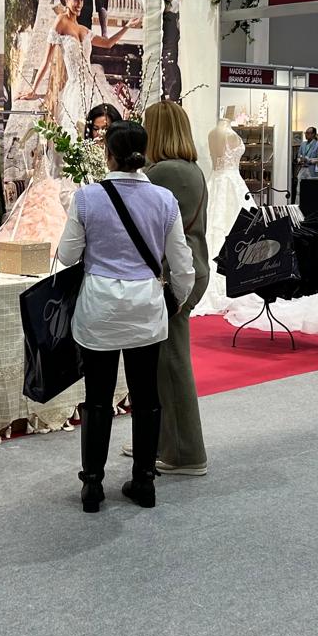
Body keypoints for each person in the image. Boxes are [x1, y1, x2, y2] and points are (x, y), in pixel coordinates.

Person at [56, 121, 195, 512]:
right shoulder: (164, 200)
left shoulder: (87, 197)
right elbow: (181, 263)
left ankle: (92, 485)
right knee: (147, 395)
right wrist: (178, 299)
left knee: (98, 398)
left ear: (108, 154)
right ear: (144, 153)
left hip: (99, 307)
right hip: (145, 307)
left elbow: (67, 256)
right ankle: (144, 481)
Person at [141, 101, 209, 475]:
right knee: (163, 363)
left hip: (173, 276)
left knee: (171, 364)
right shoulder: (189, 169)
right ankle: (164, 441)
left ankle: (184, 452)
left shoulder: (163, 172)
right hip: (188, 270)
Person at [20, 0, 134, 134]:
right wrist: (33, 90)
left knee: (102, 129)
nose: (79, 4)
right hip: (75, 90)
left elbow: (108, 43)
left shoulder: (84, 30)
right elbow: (46, 61)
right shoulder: (61, 21)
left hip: (93, 86)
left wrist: (126, 27)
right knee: (79, 132)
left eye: (81, 0)